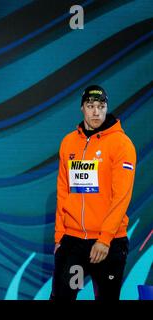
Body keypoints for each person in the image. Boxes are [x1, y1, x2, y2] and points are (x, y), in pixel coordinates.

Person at [52, 85, 136, 300]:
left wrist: (105, 239)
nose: (96, 112)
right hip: (74, 243)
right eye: (91, 106)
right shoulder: (68, 142)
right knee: (63, 297)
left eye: (101, 106)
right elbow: (63, 190)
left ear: (107, 107)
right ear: (82, 108)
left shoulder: (121, 144)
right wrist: (60, 236)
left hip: (109, 243)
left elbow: (122, 196)